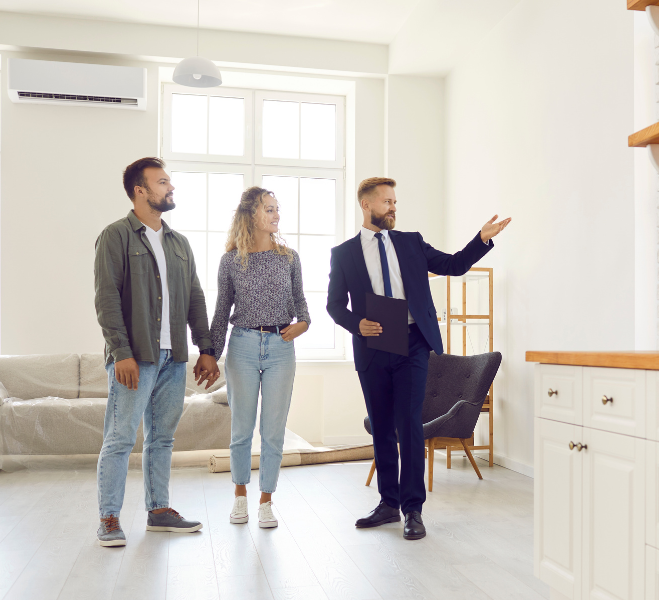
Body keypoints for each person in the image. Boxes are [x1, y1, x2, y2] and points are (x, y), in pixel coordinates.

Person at [327, 177, 510, 540]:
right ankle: (387, 504)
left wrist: (482, 239)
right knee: (381, 425)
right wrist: (357, 324)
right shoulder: (344, 253)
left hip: (412, 342)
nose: (393, 207)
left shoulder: (410, 242)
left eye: (395, 201)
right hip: (373, 343)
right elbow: (334, 305)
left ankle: (413, 509)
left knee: (408, 423)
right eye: (386, 202)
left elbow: (455, 264)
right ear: (366, 205)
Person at [94, 157, 221, 547]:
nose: (171, 189)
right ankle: (110, 518)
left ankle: (159, 509)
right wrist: (121, 353)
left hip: (174, 356)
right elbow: (107, 298)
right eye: (163, 182)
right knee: (119, 439)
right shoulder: (115, 236)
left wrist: (207, 348)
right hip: (136, 355)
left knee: (162, 438)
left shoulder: (179, 243)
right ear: (140, 190)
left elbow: (195, 297)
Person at [210, 187, 310, 529]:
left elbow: (303, 307)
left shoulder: (289, 257)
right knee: (241, 429)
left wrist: (302, 325)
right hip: (243, 347)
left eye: (277, 209)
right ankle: (240, 496)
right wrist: (210, 354)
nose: (276, 215)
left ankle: (266, 501)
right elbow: (221, 313)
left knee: (273, 431)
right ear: (252, 214)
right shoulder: (231, 261)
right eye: (269, 209)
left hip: (282, 347)